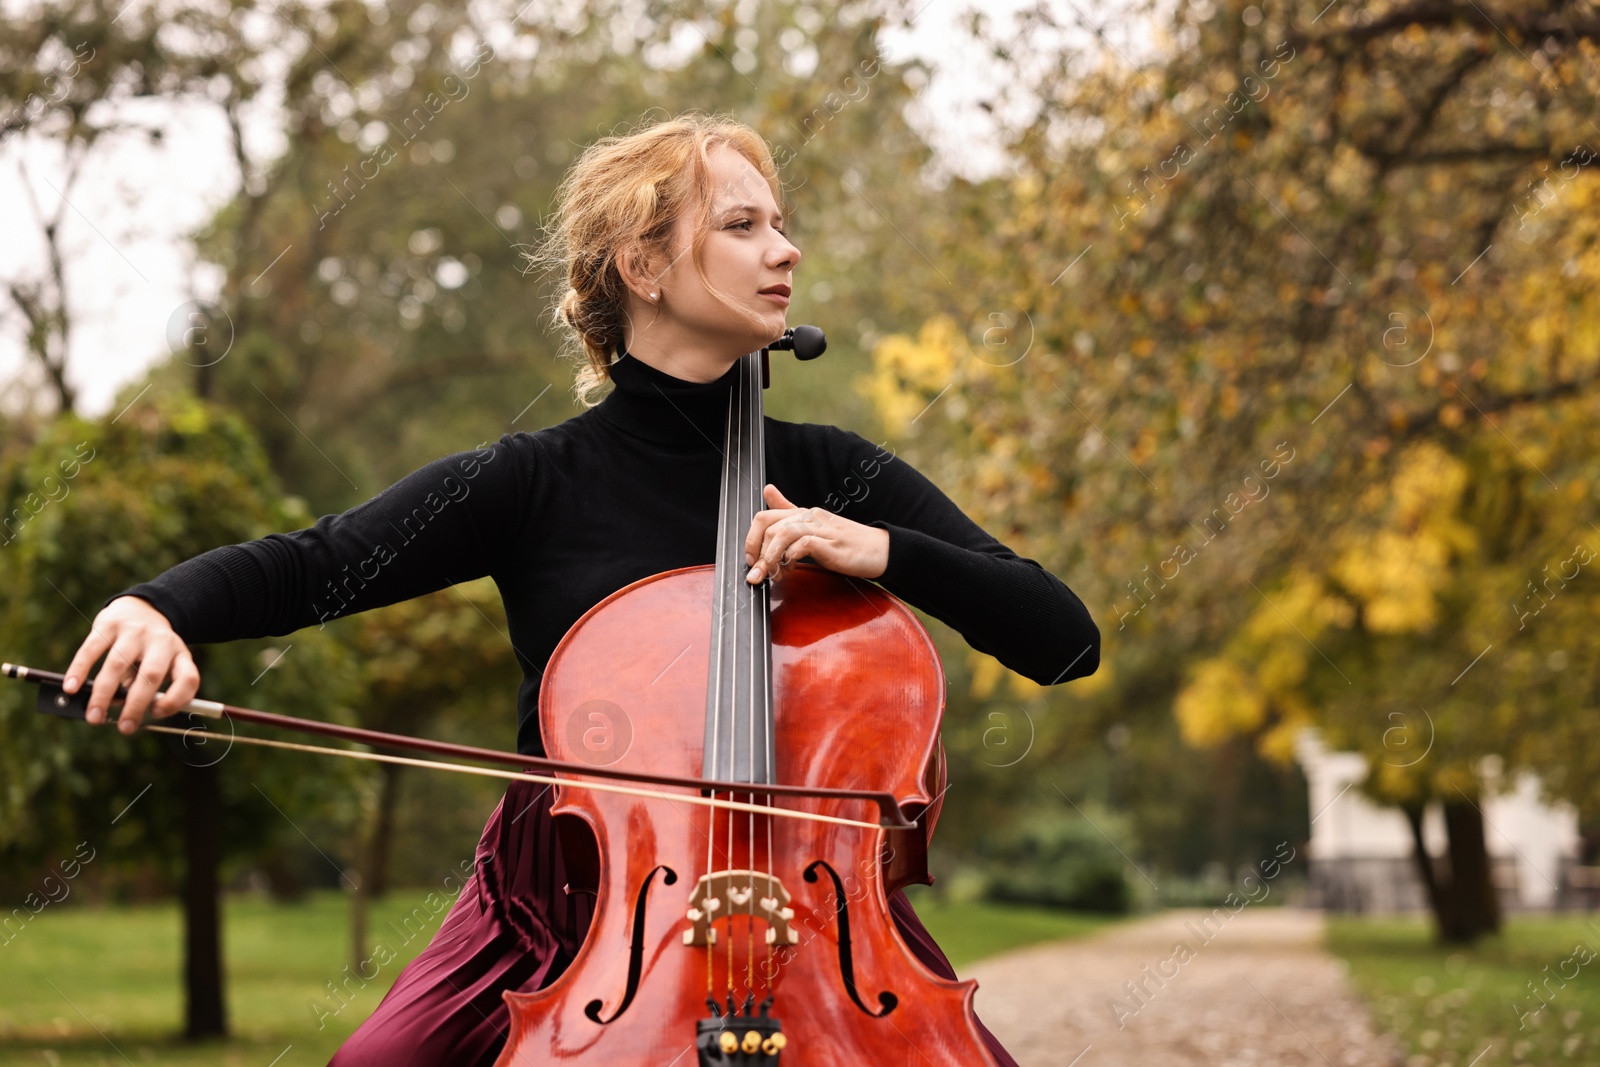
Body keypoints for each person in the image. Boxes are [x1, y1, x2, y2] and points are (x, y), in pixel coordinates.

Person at [61, 112, 1099, 1066]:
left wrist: (886, 551)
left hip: (810, 906)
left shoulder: (835, 474)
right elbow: (315, 561)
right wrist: (160, 604)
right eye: (742, 224)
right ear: (641, 264)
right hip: (560, 898)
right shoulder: (533, 481)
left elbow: (1062, 638)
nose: (786, 250)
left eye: (782, 225)